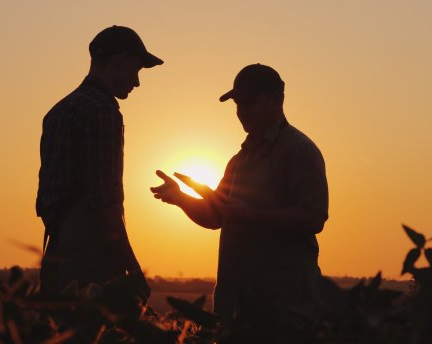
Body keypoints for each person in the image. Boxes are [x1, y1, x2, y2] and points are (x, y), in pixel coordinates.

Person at [151, 63, 329, 322]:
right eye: (237, 104)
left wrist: (251, 215)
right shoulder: (239, 160)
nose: (241, 111)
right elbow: (215, 217)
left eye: (248, 102)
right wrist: (179, 198)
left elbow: (314, 217)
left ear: (276, 100)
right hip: (235, 307)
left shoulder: (299, 151)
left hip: (285, 307)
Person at [36, 26, 163, 301]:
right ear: (119, 61)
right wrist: (132, 269)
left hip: (55, 252)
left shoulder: (56, 112)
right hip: (91, 261)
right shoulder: (101, 111)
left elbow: (46, 199)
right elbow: (103, 201)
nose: (137, 82)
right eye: (136, 69)